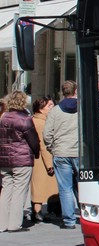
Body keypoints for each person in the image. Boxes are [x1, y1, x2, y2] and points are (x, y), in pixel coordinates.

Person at [0, 91, 40, 232]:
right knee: (19, 191)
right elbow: (33, 140)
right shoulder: (25, 119)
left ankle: (2, 223)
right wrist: (36, 153)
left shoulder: (3, 117)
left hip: (4, 160)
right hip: (22, 159)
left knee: (6, 190)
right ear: (23, 102)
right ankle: (14, 224)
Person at [44, 81, 80, 230]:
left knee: (65, 187)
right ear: (75, 91)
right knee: (83, 186)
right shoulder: (82, 108)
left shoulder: (55, 111)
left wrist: (52, 147)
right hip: (78, 152)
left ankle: (69, 221)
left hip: (61, 152)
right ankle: (87, 216)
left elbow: (47, 134)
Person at [30, 96, 58, 223]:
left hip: (36, 159)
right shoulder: (41, 123)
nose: (52, 107)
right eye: (49, 106)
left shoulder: (35, 119)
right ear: (41, 109)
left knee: (38, 186)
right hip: (40, 160)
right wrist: (49, 164)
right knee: (40, 187)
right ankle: (37, 212)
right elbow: (44, 145)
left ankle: (36, 211)